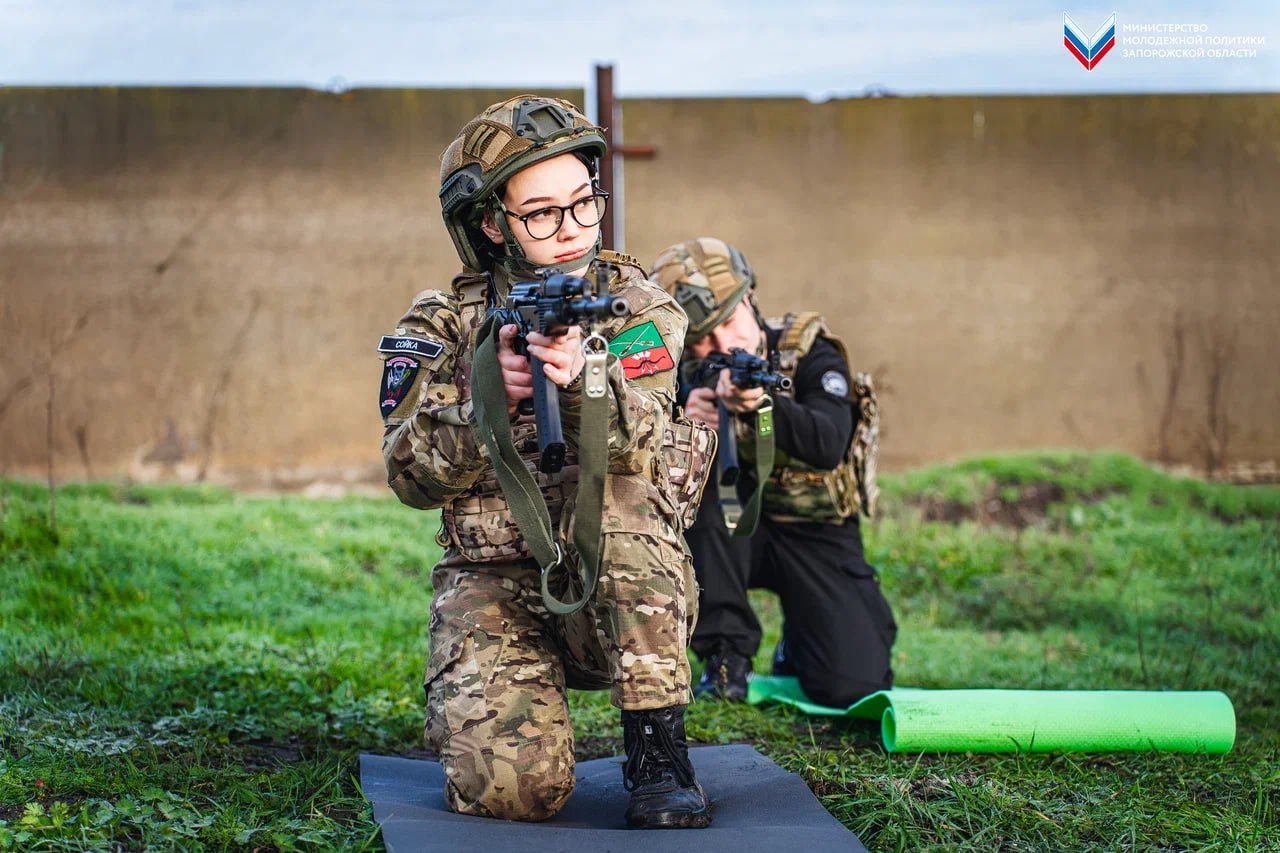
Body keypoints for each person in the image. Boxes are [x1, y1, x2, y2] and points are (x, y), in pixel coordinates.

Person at [378, 97, 714, 828]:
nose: (570, 231)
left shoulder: (634, 306)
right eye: (541, 214)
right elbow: (406, 473)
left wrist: (587, 376)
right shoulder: (444, 322)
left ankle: (660, 753)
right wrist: (487, 401)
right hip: (497, 583)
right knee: (512, 795)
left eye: (583, 204)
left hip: (621, 584)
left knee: (623, 496)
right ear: (493, 223)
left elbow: (647, 439)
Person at [651, 237, 897, 708]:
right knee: (707, 493)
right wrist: (685, 426)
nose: (720, 345)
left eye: (727, 322)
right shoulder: (678, 375)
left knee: (853, 684)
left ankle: (798, 646)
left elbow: (828, 443)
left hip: (817, 531)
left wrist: (761, 407)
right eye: (701, 337)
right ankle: (726, 656)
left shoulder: (808, 353)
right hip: (732, 532)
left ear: (749, 299)